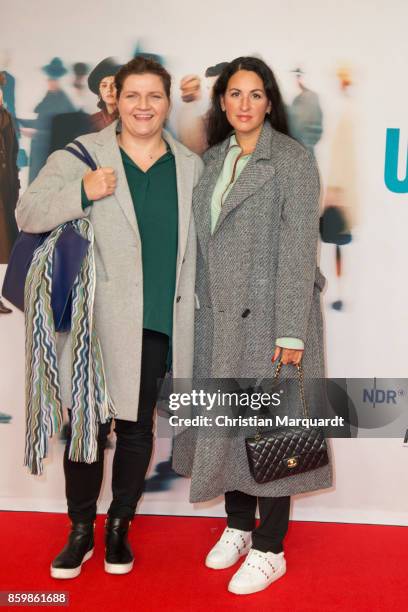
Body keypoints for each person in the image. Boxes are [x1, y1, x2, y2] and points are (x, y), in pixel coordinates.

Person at [16, 56, 203, 579]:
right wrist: (82, 192)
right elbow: (27, 213)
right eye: (133, 95)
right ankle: (80, 530)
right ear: (114, 99)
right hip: (93, 324)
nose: (144, 106)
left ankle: (119, 525)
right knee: (86, 430)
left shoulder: (190, 166)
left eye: (154, 96)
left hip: (156, 321)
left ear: (167, 103)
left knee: (138, 429)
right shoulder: (83, 155)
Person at [172, 57, 332, 596]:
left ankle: (272, 546)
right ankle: (240, 525)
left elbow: (296, 248)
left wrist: (291, 332)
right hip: (219, 320)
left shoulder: (291, 159)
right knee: (227, 424)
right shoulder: (211, 161)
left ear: (270, 102)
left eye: (256, 94)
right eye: (235, 94)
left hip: (272, 320)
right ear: (222, 102)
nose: (244, 104)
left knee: (275, 428)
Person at [0, 71, 19, 265]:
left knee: (6, 246)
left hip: (5, 189)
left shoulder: (6, 117)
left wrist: (15, 185)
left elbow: (13, 153)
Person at [87, 57, 121, 132]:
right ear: (99, 91)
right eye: (104, 86)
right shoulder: (91, 123)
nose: (109, 89)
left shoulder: (133, 118)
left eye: (114, 85)